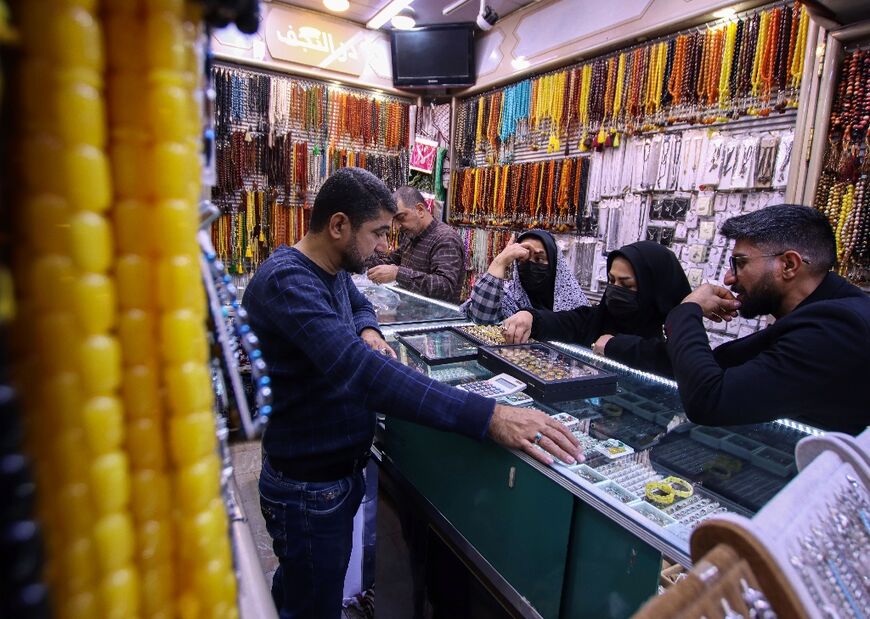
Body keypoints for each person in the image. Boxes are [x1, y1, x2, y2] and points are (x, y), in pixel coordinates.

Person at [241, 168, 582, 619]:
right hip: (309, 488)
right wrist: (489, 417)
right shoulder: (288, 281)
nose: (385, 245)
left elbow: (357, 300)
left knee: (302, 588)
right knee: (312, 603)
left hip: (329, 477)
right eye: (378, 233)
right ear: (339, 225)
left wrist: (367, 328)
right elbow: (365, 376)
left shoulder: (330, 267)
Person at [666, 204, 870, 435]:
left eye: (740, 263)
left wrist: (686, 311)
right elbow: (725, 362)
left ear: (789, 265)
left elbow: (710, 401)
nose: (729, 277)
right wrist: (617, 344)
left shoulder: (837, 327)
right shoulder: (820, 314)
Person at [501, 241, 691, 376]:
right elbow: (566, 321)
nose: (615, 290)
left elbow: (681, 362)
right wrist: (530, 316)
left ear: (654, 288)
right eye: (611, 281)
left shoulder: (680, 332)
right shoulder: (598, 319)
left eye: (626, 285)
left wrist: (615, 346)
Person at [460, 229, 590, 323]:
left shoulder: (575, 303)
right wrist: (500, 262)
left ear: (555, 263)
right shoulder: (508, 297)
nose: (530, 265)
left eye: (539, 259)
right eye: (523, 259)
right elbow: (481, 319)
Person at [366, 186, 465, 303]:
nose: (397, 226)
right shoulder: (411, 235)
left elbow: (445, 287)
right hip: (413, 314)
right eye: (395, 220)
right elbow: (391, 261)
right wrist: (360, 255)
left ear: (420, 210)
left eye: (401, 217)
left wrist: (398, 274)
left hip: (437, 318)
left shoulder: (446, 239)